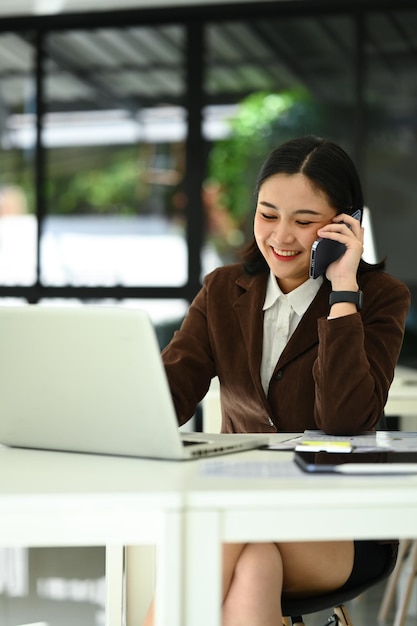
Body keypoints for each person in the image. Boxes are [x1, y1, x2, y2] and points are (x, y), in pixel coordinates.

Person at [143, 135, 411, 626]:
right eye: (268, 214)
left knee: (222, 527)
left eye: (304, 222)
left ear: (344, 224)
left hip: (340, 524)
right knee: (254, 566)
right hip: (245, 515)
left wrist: (343, 291)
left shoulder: (380, 297)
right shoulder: (224, 290)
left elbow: (344, 420)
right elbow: (169, 398)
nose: (281, 236)